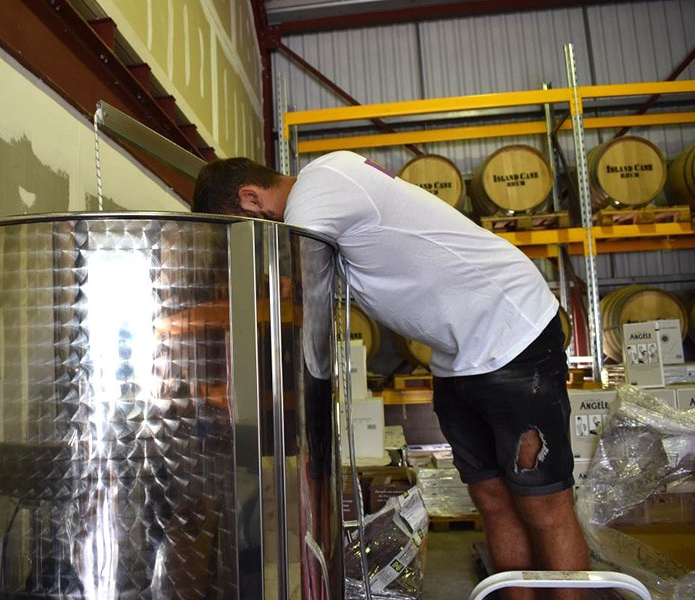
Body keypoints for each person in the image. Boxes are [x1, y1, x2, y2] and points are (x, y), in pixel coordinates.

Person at [192, 150, 590, 599]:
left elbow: (290, 289)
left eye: (248, 228)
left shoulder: (318, 188)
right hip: (457, 357)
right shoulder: (323, 204)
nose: (257, 243)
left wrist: (192, 319)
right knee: (493, 500)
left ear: (251, 199)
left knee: (543, 504)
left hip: (513, 333)